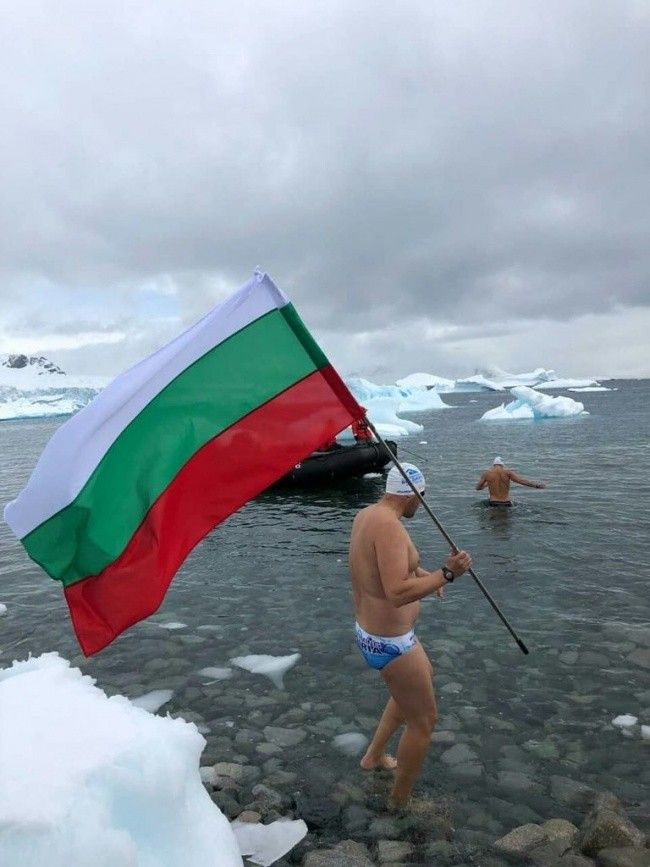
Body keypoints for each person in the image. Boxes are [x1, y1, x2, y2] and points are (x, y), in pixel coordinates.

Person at [348, 463, 472, 809]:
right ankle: (399, 803)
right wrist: (447, 574)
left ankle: (373, 758)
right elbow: (397, 592)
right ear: (414, 494)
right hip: (391, 641)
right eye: (423, 496)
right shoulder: (389, 527)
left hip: (374, 632)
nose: (423, 503)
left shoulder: (369, 515)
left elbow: (388, 566)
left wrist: (425, 574)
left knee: (416, 687)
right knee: (424, 720)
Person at [475, 456, 546, 506]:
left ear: (494, 465)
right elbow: (521, 481)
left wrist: (487, 484)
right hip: (506, 503)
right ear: (502, 465)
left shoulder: (486, 474)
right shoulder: (508, 472)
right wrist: (536, 485)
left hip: (493, 502)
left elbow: (477, 488)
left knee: (494, 525)